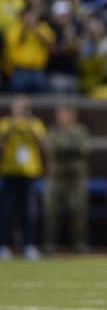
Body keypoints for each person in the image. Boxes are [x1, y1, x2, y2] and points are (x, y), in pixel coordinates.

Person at [0, 95, 44, 260]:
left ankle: (29, 246)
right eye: (16, 106)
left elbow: (41, 141)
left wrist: (29, 123)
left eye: (22, 107)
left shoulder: (35, 123)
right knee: (6, 211)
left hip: (30, 172)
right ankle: (3, 246)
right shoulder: (5, 123)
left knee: (29, 211)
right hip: (10, 171)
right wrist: (13, 125)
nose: (19, 110)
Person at [43, 105, 90, 254]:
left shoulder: (80, 131)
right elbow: (50, 148)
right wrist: (69, 148)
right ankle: (49, 244)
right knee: (51, 212)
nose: (64, 117)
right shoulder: (53, 131)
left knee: (78, 211)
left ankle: (79, 243)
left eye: (67, 114)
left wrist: (64, 148)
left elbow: (84, 149)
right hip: (57, 177)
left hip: (75, 179)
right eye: (61, 114)